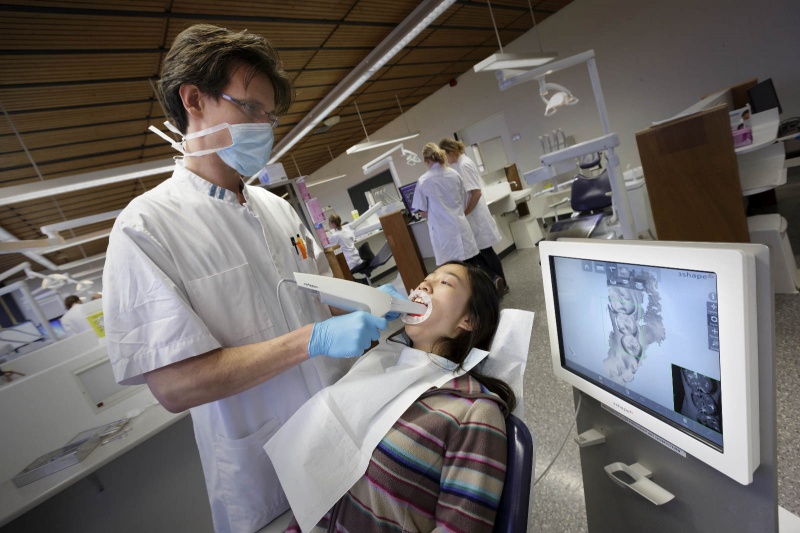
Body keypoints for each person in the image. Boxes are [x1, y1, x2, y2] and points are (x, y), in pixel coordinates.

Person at [102, 24, 392, 533]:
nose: (265, 127)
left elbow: (316, 302)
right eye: (251, 109)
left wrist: (367, 304)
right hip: (266, 477)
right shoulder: (146, 228)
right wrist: (313, 339)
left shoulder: (275, 209)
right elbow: (174, 384)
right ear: (193, 99)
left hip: (346, 439)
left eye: (270, 116)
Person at [283, 261, 515, 532]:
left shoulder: (475, 412)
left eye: (445, 282)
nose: (424, 284)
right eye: (426, 277)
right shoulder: (378, 372)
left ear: (468, 320)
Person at [440, 138, 509, 294]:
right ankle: (497, 283)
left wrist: (464, 214)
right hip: (472, 216)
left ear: (451, 152)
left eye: (445, 156)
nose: (445, 160)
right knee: (480, 253)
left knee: (486, 252)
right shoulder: (459, 165)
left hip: (476, 216)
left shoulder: (464, 164)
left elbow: (476, 193)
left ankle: (502, 284)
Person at [411, 143, 480, 267]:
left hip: (444, 234)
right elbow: (462, 197)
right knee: (472, 267)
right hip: (461, 227)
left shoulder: (424, 181)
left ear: (426, 160)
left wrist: (433, 211)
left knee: (454, 270)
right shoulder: (454, 174)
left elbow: (422, 211)